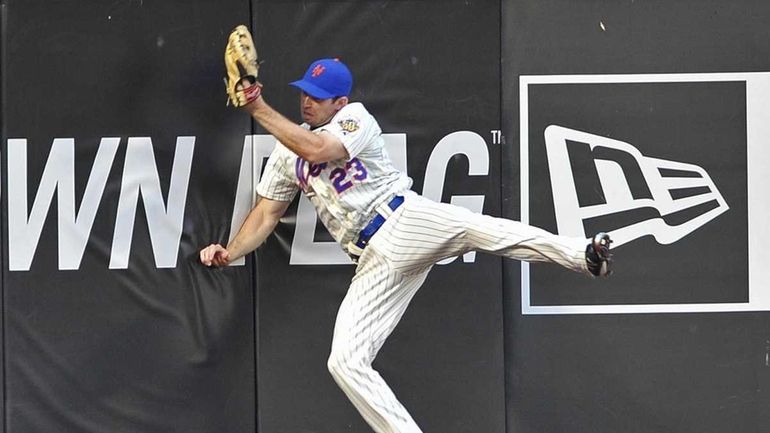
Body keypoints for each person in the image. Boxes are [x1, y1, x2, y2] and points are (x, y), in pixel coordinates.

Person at [200, 58, 612, 433]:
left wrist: (257, 107)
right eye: (306, 92)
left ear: (340, 102)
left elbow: (320, 149)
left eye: (319, 97)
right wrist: (231, 251)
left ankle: (582, 255)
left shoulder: (354, 119)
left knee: (479, 229)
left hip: (403, 218)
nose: (308, 101)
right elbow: (267, 213)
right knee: (344, 361)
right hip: (372, 261)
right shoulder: (285, 153)